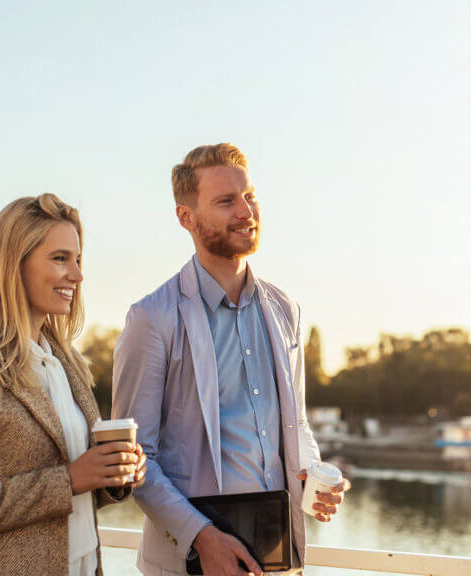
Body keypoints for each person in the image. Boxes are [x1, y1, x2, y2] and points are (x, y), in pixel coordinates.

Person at [112, 143, 350, 576]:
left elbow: (296, 425)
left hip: (277, 561)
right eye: (226, 201)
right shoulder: (152, 318)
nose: (246, 211)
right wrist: (202, 537)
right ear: (186, 217)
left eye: (250, 195)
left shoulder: (286, 311)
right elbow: (134, 458)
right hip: (189, 563)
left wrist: (313, 475)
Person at [0, 194, 146, 576]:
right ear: (13, 265)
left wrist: (114, 474)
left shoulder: (66, 361)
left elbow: (75, 489)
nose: (77, 274)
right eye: (60, 258)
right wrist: (69, 479)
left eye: (78, 259)